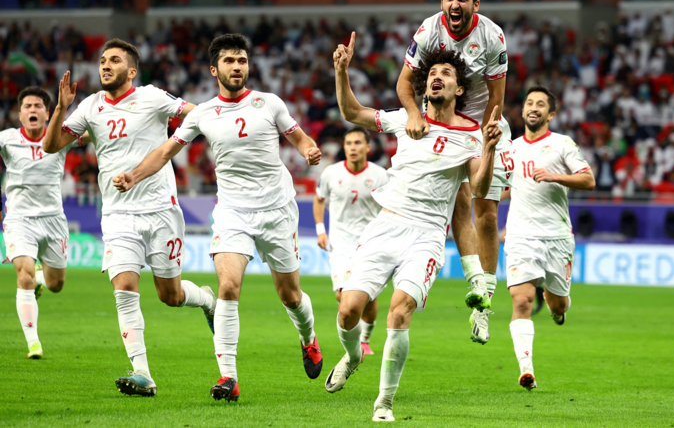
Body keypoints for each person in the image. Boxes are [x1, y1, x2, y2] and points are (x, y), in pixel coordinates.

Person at [112, 33, 324, 402]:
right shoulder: (203, 113)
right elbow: (165, 151)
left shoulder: (269, 103)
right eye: (229, 61)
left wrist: (310, 150)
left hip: (276, 210)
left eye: (242, 60)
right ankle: (229, 377)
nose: (237, 66)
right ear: (215, 69)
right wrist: (134, 175)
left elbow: (300, 138)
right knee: (228, 286)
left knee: (290, 295)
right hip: (232, 211)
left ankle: (308, 338)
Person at [326, 33, 501, 422]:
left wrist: (488, 150)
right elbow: (352, 112)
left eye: (446, 73)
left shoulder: (470, 134)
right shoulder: (407, 120)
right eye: (433, 72)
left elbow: (479, 189)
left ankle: (384, 402)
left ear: (459, 89)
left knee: (399, 311)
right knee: (348, 311)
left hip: (426, 236)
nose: (437, 76)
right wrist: (341, 72)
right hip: (386, 225)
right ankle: (352, 356)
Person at [43, 40, 216, 397]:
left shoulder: (152, 97)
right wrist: (60, 108)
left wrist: (195, 131)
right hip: (117, 213)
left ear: (132, 71)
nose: (105, 65)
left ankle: (206, 300)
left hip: (160, 209)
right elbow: (50, 145)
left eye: (115, 60)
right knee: (123, 288)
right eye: (102, 61)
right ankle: (142, 373)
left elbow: (198, 114)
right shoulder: (91, 106)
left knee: (170, 295)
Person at [397, 0, 513, 345]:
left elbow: (496, 98)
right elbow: (404, 83)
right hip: (438, 121)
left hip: (480, 124)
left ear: (475, 4)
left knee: (487, 211)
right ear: (442, 2)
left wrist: (484, 139)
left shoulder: (492, 36)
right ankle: (468, 279)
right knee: (458, 201)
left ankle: (483, 306)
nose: (455, 4)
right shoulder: (428, 30)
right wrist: (414, 114)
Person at [501, 85, 595, 390]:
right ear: (522, 110)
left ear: (550, 114)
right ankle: (526, 369)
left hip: (556, 236)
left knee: (559, 306)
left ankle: (556, 307)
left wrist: (555, 176)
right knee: (521, 300)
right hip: (520, 235)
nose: (533, 107)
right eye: (529, 103)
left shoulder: (562, 144)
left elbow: (588, 180)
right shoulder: (511, 148)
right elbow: (507, 187)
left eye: (541, 104)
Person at [2, 86, 89, 359]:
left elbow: (94, 132)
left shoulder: (61, 137)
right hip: (19, 220)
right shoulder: (7, 139)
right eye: (27, 106)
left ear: (48, 113)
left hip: (53, 221)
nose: (32, 110)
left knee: (56, 284)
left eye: (38, 106)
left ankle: (42, 278)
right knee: (24, 275)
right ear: (19, 114)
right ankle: (33, 343)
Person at [313, 126, 388, 356]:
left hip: (370, 244)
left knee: (369, 297)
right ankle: (354, 336)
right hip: (340, 244)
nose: (352, 147)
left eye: (357, 143)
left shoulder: (380, 175)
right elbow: (319, 199)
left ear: (368, 147)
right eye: (348, 143)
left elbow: (390, 206)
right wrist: (320, 230)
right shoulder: (331, 173)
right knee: (342, 294)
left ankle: (364, 340)